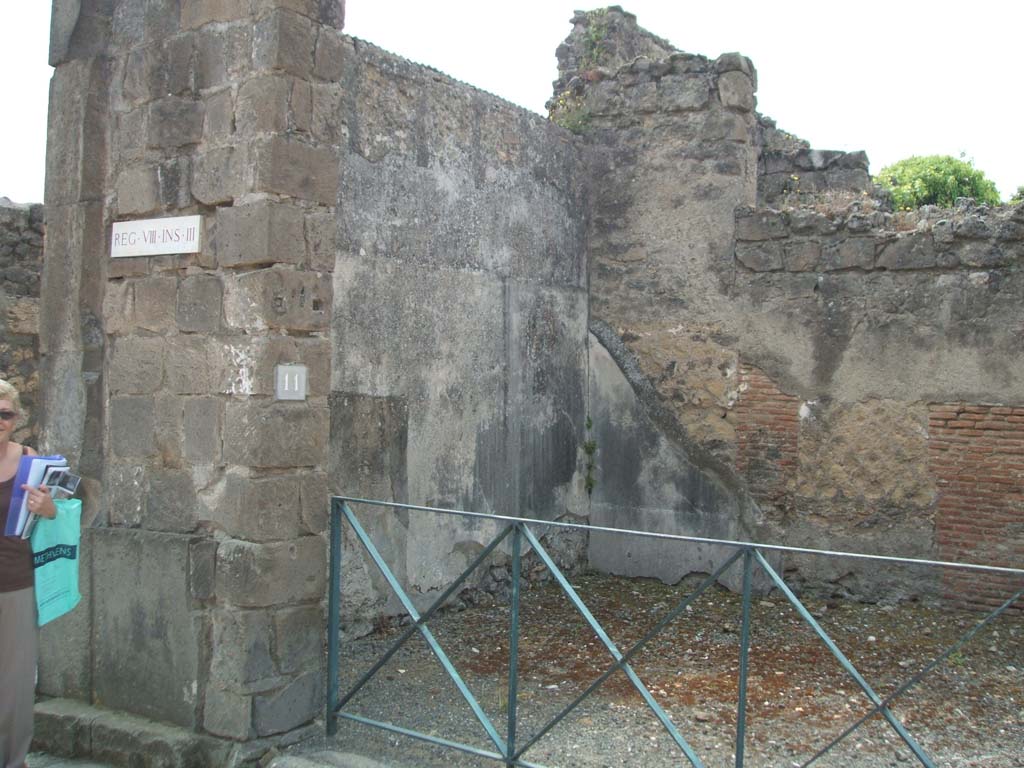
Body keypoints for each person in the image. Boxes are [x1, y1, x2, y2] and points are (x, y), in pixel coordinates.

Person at [0, 379, 56, 768]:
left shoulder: (30, 460)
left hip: (16, 582)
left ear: (16, 418)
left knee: (16, 685)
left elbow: (54, 516)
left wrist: (47, 506)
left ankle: (14, 760)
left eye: (4, 413)